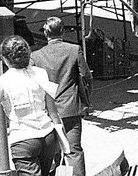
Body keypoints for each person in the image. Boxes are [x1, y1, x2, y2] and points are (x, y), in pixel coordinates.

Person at [0, 36, 72, 176]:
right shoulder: (41, 73)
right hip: (47, 135)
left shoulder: (2, 82)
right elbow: (53, 112)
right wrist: (63, 141)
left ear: (5, 59)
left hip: (22, 139)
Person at [30, 17, 92, 176]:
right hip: (70, 108)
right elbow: (86, 77)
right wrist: (85, 101)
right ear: (63, 31)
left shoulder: (36, 56)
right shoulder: (74, 49)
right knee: (73, 151)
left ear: (45, 33)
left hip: (47, 113)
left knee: (52, 153)